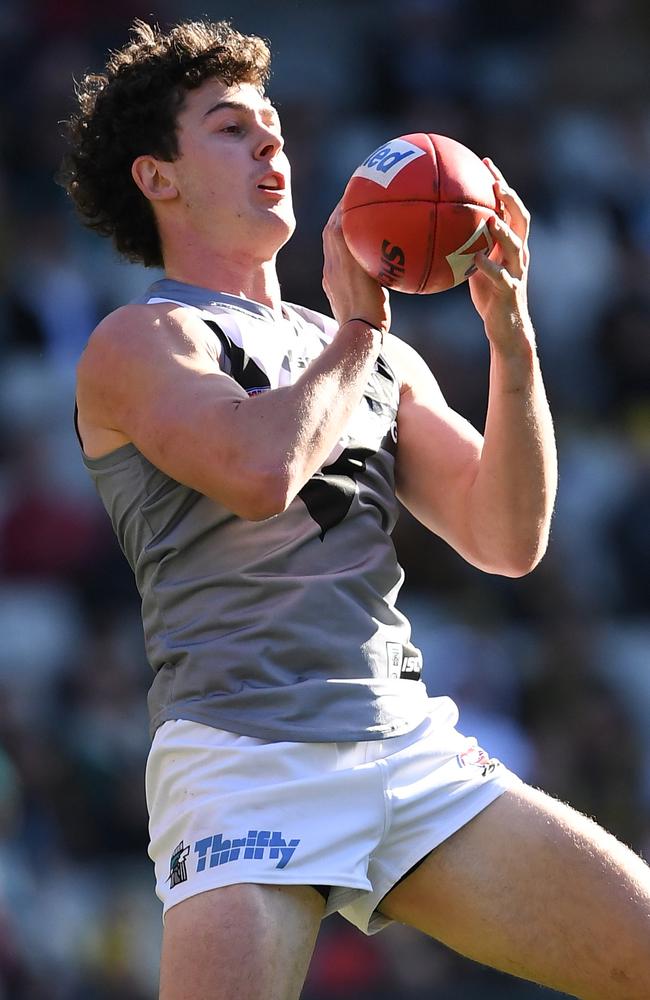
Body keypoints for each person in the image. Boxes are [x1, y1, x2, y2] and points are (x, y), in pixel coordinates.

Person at [60, 18, 650, 1000]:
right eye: (230, 128)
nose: (271, 145)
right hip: (243, 758)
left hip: (402, 744)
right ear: (157, 176)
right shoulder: (139, 338)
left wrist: (513, 344)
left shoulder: (369, 352)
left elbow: (505, 538)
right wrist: (357, 332)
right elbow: (257, 471)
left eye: (275, 127)